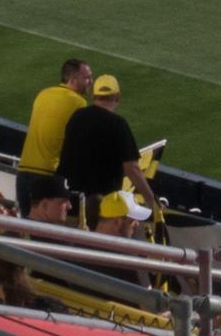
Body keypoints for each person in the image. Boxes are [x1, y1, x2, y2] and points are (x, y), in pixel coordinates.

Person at [59, 73, 163, 230]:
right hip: (99, 208)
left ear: (95, 96)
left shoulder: (77, 117)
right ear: (117, 97)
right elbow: (133, 169)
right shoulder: (118, 125)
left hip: (68, 202)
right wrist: (152, 202)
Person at [15, 58, 91, 219]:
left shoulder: (43, 94)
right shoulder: (79, 103)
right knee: (46, 234)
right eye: (87, 78)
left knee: (26, 230)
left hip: (23, 171)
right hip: (47, 176)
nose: (90, 82)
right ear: (73, 79)